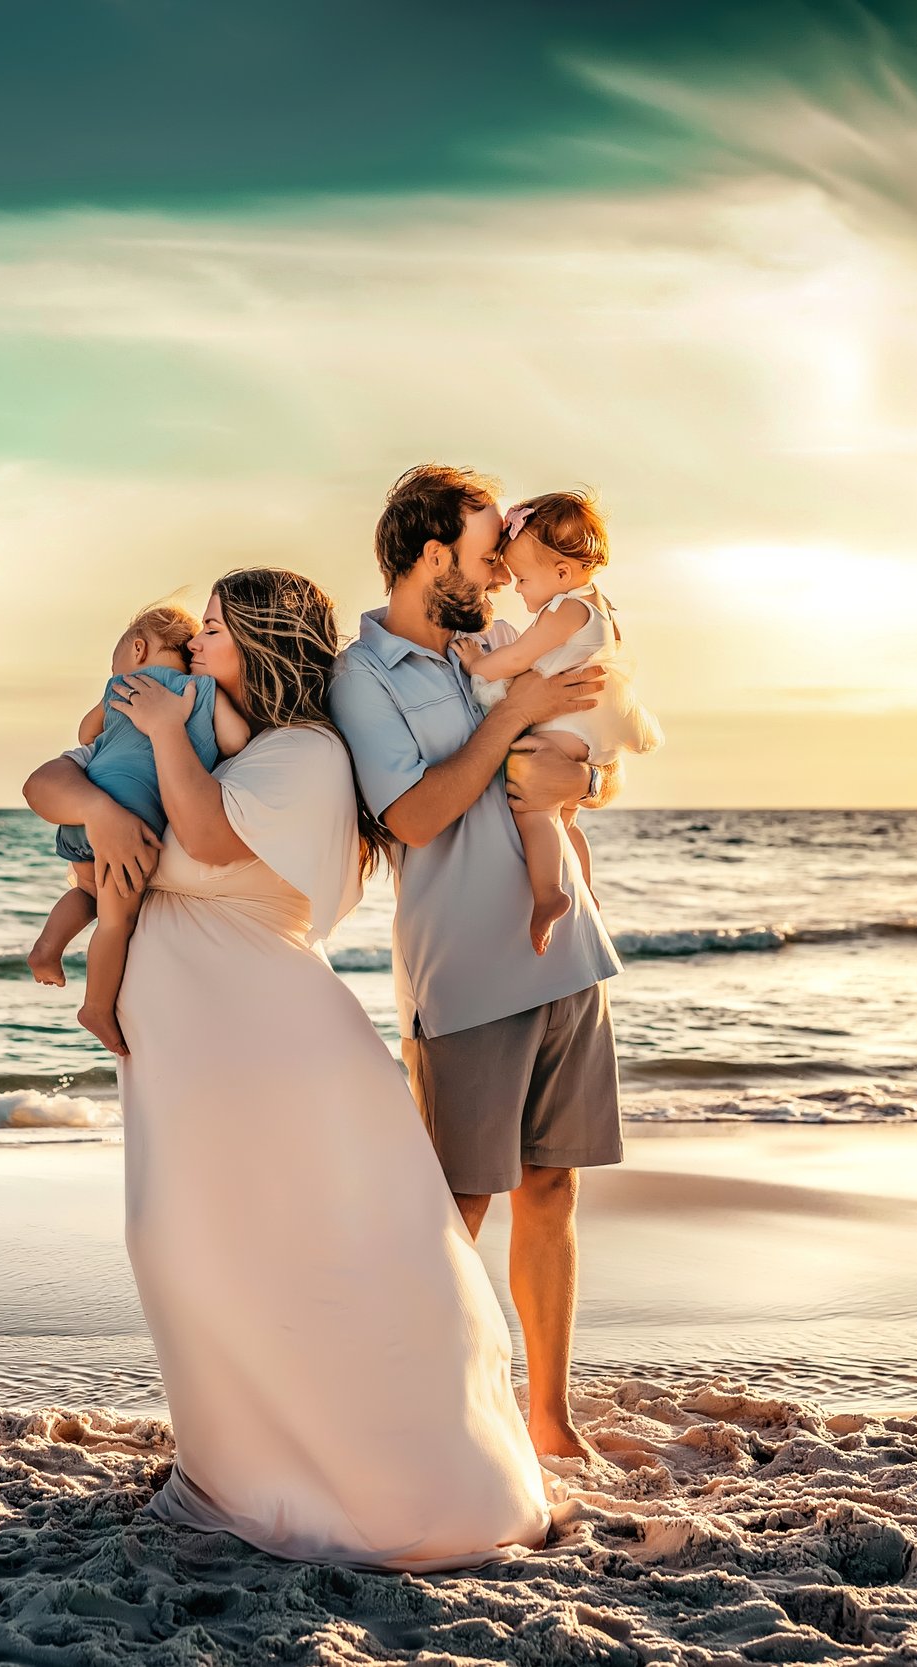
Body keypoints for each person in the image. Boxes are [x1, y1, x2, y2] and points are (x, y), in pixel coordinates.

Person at [21, 567, 553, 1571]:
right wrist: (96, 807)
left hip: (266, 1041)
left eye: (214, 629)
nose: (196, 645)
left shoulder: (303, 753)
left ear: (260, 639)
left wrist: (162, 748)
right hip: (195, 1046)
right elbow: (46, 782)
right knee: (185, 1247)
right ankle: (244, 1469)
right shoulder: (209, 741)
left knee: (302, 1260)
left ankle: (376, 1487)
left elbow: (212, 837)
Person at [328, 465, 625, 1465]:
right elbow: (408, 814)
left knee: (553, 1189)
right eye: (486, 549)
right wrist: (507, 723)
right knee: (456, 1203)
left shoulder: (498, 639)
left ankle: (547, 1413)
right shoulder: (359, 677)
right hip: (464, 972)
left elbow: (597, 750)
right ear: (429, 556)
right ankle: (429, 1410)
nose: (503, 569)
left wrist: (583, 766)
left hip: (567, 954)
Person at [27, 602, 250, 1054]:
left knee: (87, 892)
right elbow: (236, 741)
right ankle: (95, 1007)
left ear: (138, 648)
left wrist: (113, 701)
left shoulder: (120, 687)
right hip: (136, 819)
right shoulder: (202, 689)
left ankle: (47, 949)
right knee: (116, 921)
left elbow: (87, 733)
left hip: (86, 811)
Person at [453, 490, 663, 947]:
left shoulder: (565, 610)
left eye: (524, 577)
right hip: (588, 728)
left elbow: (517, 657)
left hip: (569, 726)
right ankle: (585, 890)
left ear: (562, 572)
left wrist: (475, 665)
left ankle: (549, 894)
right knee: (565, 821)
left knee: (533, 807)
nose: (515, 585)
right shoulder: (598, 605)